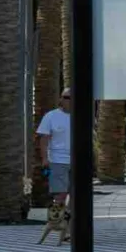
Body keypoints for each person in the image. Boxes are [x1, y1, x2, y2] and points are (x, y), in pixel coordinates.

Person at [33, 88, 74, 239]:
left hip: (78, 161)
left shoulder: (82, 115)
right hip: (58, 161)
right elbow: (43, 139)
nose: (69, 100)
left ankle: (68, 229)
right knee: (61, 195)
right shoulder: (51, 116)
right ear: (61, 99)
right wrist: (45, 159)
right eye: (66, 97)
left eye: (72, 97)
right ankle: (58, 227)